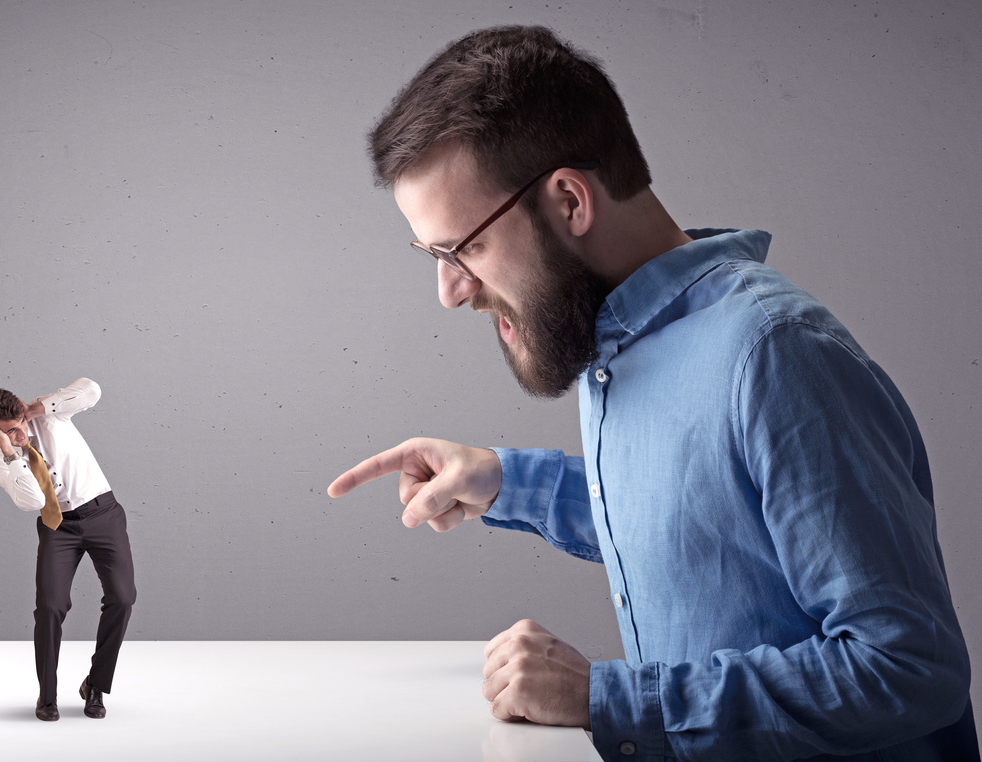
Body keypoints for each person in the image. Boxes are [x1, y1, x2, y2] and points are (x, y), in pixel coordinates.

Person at [328, 25, 976, 761]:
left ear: (570, 201)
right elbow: (713, 529)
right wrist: (507, 482)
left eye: (463, 247)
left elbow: (909, 668)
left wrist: (603, 699)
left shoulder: (775, 355)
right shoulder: (618, 341)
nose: (448, 292)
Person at [0, 377, 136, 722]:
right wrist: (10, 452)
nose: (18, 435)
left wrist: (38, 407)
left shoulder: (52, 417)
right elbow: (33, 501)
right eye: (6, 432)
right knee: (49, 607)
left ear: (22, 412)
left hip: (103, 514)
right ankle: (46, 696)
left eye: (18, 425)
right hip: (57, 527)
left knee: (123, 598)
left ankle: (95, 686)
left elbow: (92, 390)